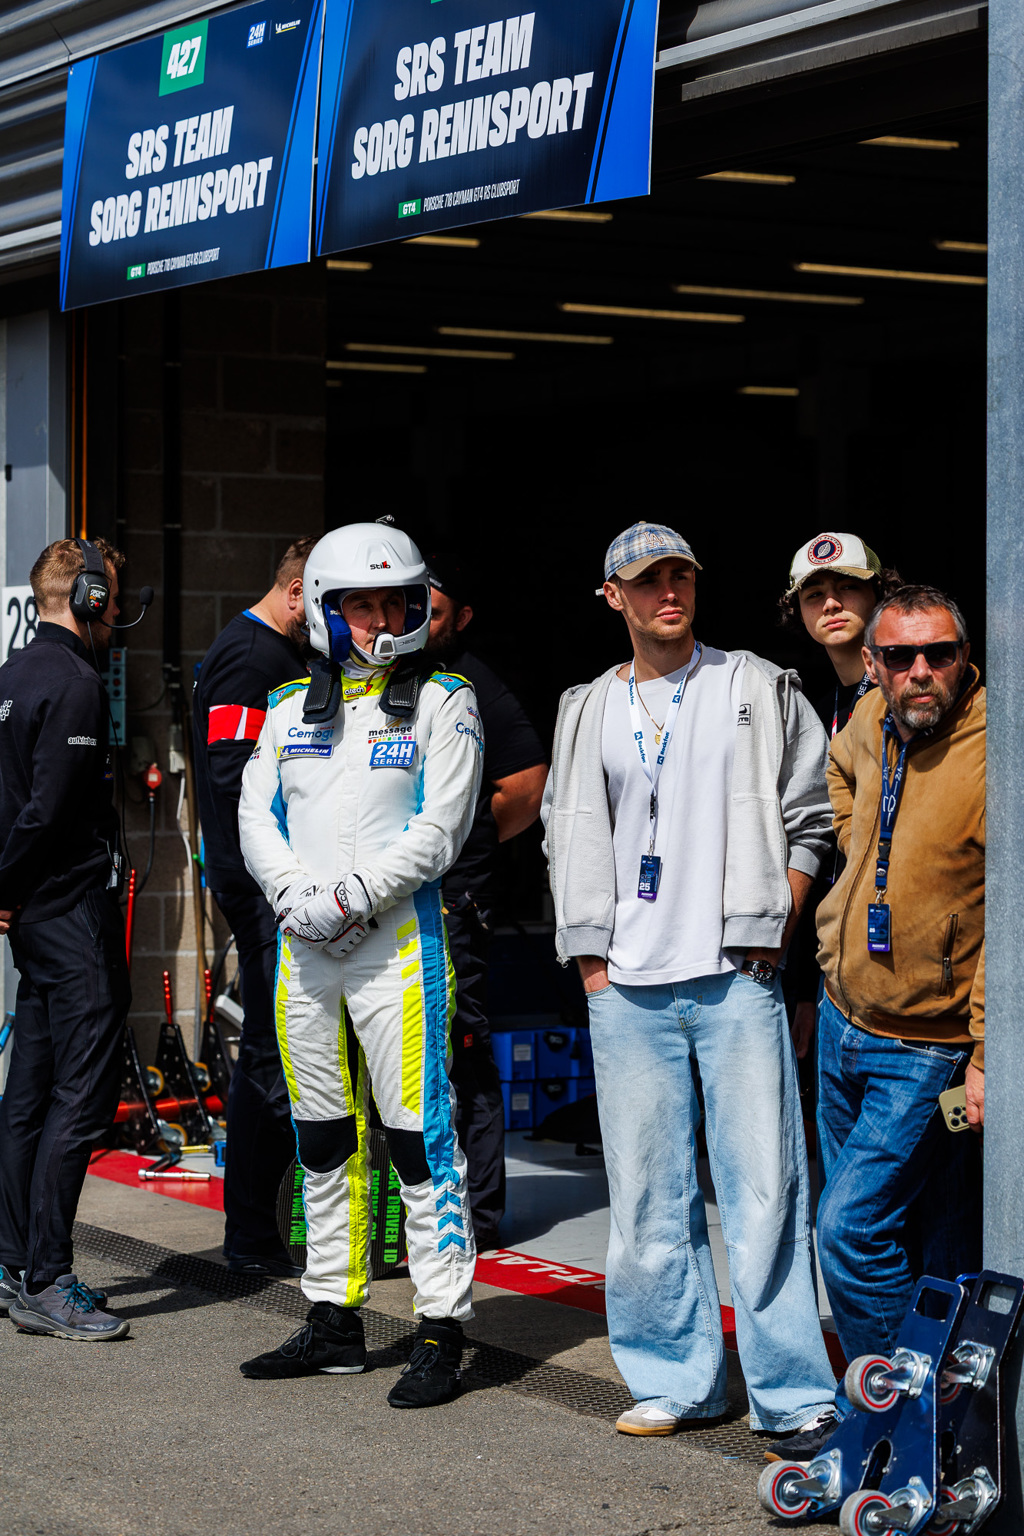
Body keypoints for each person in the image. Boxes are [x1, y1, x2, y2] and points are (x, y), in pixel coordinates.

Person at [541, 519, 837, 1456]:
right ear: (613, 597)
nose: (669, 590)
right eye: (648, 579)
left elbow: (809, 815)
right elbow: (564, 829)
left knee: (765, 1189)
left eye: (681, 575)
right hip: (626, 982)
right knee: (645, 1196)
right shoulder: (587, 704)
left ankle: (792, 1392)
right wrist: (590, 957)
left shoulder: (753, 682)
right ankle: (676, 1380)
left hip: (736, 973)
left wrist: (779, 918)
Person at [237, 520, 483, 1408]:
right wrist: (295, 898)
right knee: (322, 1139)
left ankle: (442, 1329)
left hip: (398, 953)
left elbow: (440, 832)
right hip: (303, 954)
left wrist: (343, 900)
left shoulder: (448, 700)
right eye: (360, 604)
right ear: (327, 612)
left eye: (395, 601)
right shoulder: (286, 707)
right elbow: (254, 816)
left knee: (419, 1143)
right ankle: (333, 1322)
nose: (381, 618)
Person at [814, 585, 984, 1362]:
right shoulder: (869, 721)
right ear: (875, 666)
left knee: (848, 1233)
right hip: (843, 1022)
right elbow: (838, 772)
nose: (920, 671)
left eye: (938, 654)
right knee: (922, 1232)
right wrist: (856, 860)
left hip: (931, 1051)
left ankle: (902, 1416)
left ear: (964, 658)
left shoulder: (995, 751)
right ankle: (936, 1422)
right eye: (900, 656)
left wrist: (985, 1056)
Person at [0, 538, 132, 1341]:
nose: (117, 615)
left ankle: (15, 1262)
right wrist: (7, 888)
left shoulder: (11, 676)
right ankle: (46, 1276)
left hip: (33, 921)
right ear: (84, 598)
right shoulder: (78, 683)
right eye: (112, 600)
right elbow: (47, 813)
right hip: (71, 917)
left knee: (27, 1095)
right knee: (78, 1100)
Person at [193, 536, 315, 1276]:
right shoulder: (251, 658)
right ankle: (251, 1236)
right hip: (263, 889)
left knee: (278, 1047)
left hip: (267, 886)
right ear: (296, 592)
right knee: (271, 1054)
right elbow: (236, 782)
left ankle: (258, 1231)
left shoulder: (270, 654)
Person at [424, 554, 547, 1251]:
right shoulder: (388, 676)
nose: (415, 625)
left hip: (455, 900)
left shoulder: (473, 682)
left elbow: (528, 785)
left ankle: (479, 1214)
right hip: (387, 903)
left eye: (434, 613)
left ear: (461, 619)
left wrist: (465, 843)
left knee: (462, 1049)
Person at [777, 533, 903, 1058]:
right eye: (814, 594)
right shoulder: (816, 708)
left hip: (907, 972)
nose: (831, 603)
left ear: (879, 595)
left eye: (847, 587)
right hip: (836, 973)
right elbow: (819, 849)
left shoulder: (916, 696)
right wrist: (806, 990)